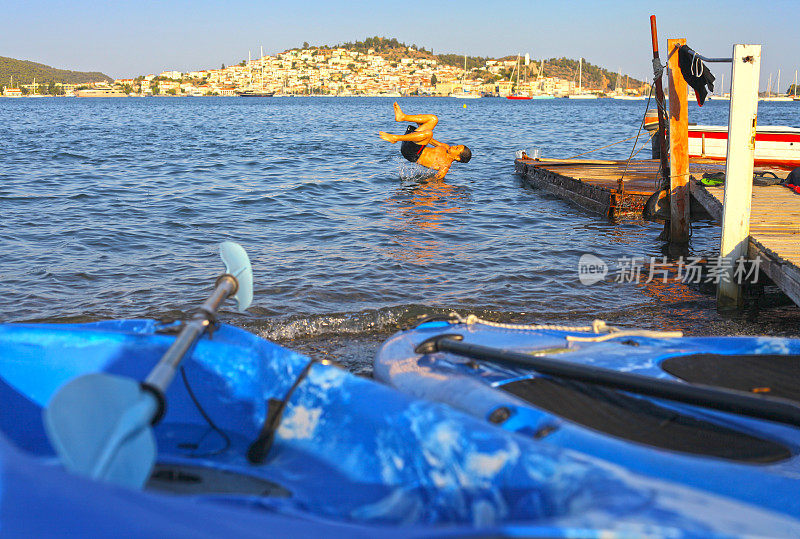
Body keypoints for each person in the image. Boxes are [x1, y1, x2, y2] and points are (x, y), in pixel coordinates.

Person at [379, 102, 471, 179]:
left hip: (412, 154)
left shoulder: (445, 167)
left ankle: (395, 138)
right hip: (411, 143)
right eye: (456, 145)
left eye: (456, 148)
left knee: (429, 133)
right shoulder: (445, 147)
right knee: (434, 119)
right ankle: (402, 117)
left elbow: (437, 182)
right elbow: (430, 140)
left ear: (457, 157)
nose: (454, 146)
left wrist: (426, 195)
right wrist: (421, 126)